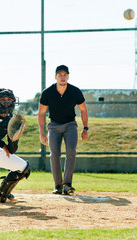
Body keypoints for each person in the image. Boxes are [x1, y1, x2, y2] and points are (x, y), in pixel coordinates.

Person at [38, 65, 89, 195]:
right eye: (59, 75)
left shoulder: (75, 91)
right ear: (55, 77)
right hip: (53, 126)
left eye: (65, 74)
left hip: (70, 125)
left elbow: (83, 110)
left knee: (71, 151)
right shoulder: (47, 92)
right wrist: (42, 133)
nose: (62, 77)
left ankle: (67, 184)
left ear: (68, 76)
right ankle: (57, 185)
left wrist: (85, 128)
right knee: (54, 154)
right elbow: (41, 113)